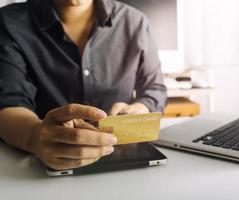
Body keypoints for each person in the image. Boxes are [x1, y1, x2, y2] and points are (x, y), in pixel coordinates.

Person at [0, 0, 166, 170]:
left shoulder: (135, 21)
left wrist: (140, 109)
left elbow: (154, 89)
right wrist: (36, 137)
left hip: (125, 158)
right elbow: (8, 103)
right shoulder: (9, 22)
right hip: (40, 166)